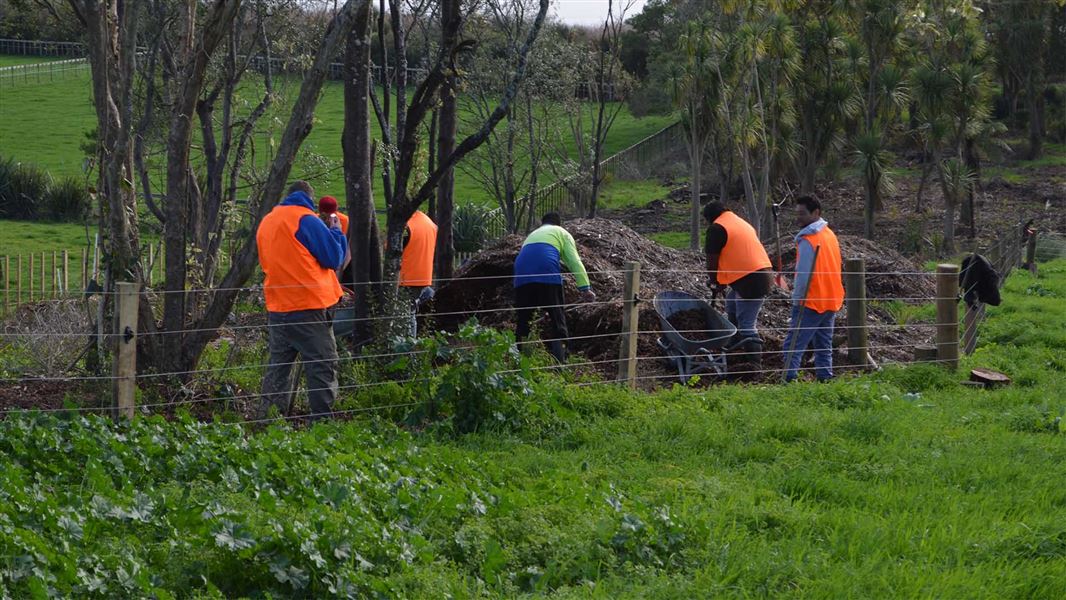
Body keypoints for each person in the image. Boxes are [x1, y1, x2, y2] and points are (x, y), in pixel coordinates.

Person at [256, 181, 348, 419]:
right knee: (322, 363)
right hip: (308, 306)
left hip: (278, 305)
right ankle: (321, 424)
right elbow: (333, 258)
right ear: (309, 199)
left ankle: (270, 420)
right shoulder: (306, 219)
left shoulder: (267, 221)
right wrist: (336, 231)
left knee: (279, 366)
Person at [513, 213, 595, 362]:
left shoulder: (532, 235)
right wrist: (585, 288)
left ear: (542, 223)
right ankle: (560, 361)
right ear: (559, 223)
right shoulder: (561, 233)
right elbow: (574, 261)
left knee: (524, 321)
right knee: (557, 317)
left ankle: (523, 363)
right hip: (547, 273)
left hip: (521, 276)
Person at [782, 195, 844, 383]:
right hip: (831, 298)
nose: (798, 218)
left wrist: (797, 300)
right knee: (823, 343)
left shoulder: (809, 239)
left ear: (816, 213)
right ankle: (825, 377)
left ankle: (788, 380)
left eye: (802, 214)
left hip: (811, 300)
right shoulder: (829, 235)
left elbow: (803, 275)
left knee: (793, 344)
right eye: (797, 214)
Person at [702, 202, 773, 346]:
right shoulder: (739, 222)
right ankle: (734, 343)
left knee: (747, 324)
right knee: (731, 305)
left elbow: (712, 261)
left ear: (710, 217)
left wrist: (714, 280)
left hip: (751, 282)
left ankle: (753, 366)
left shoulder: (717, 228)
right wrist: (720, 281)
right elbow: (737, 256)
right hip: (760, 274)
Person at [399, 209, 438, 335]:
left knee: (403, 316)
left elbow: (391, 250)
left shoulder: (405, 225)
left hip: (405, 278)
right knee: (410, 314)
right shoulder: (428, 222)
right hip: (423, 277)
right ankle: (410, 347)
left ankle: (405, 349)